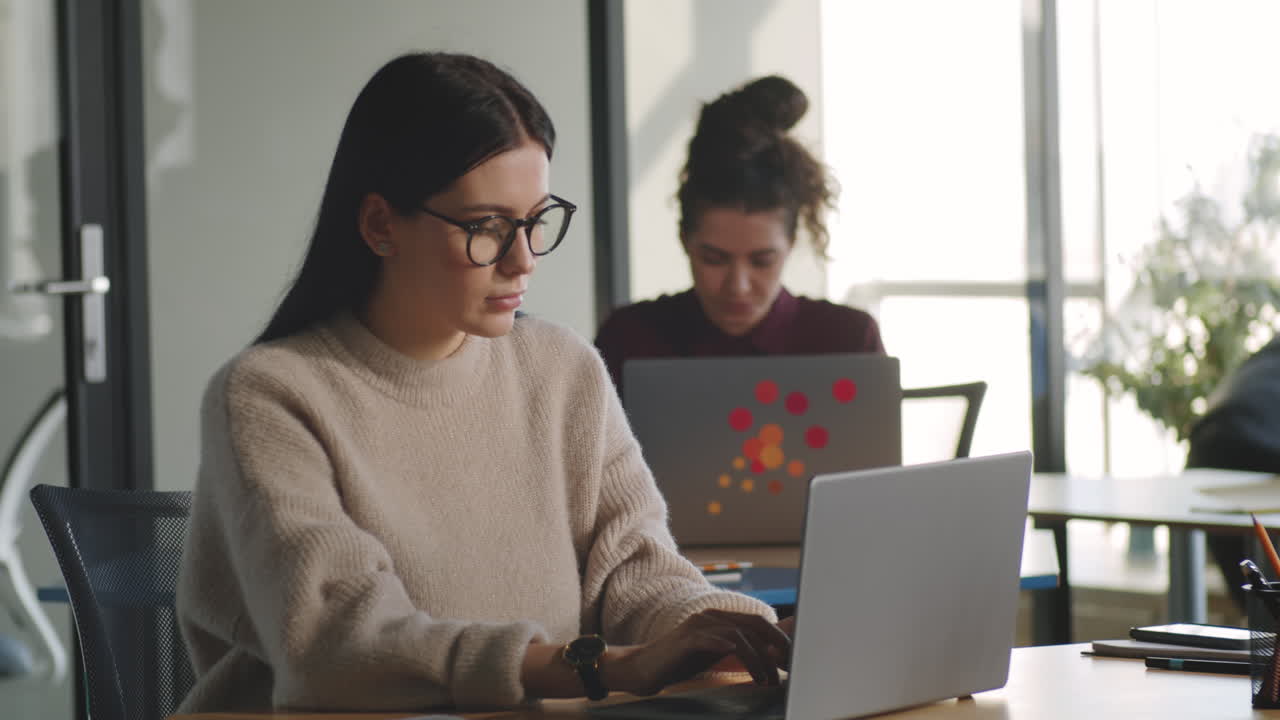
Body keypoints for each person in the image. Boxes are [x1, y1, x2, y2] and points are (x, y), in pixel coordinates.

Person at [175, 52, 790, 714]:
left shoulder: (563, 369)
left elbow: (637, 573)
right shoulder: (269, 395)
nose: (523, 260)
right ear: (381, 225)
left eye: (535, 221)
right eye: (487, 228)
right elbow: (343, 648)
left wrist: (726, 627)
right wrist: (606, 666)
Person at [595, 75, 884, 396]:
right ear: (684, 240)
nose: (738, 285)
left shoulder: (847, 342)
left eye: (762, 261)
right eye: (714, 259)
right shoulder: (630, 339)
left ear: (790, 244)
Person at [1186, 334, 1280, 613]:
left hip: (1210, 443)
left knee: (1258, 602)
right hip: (1260, 441)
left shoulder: (1269, 351)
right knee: (1264, 605)